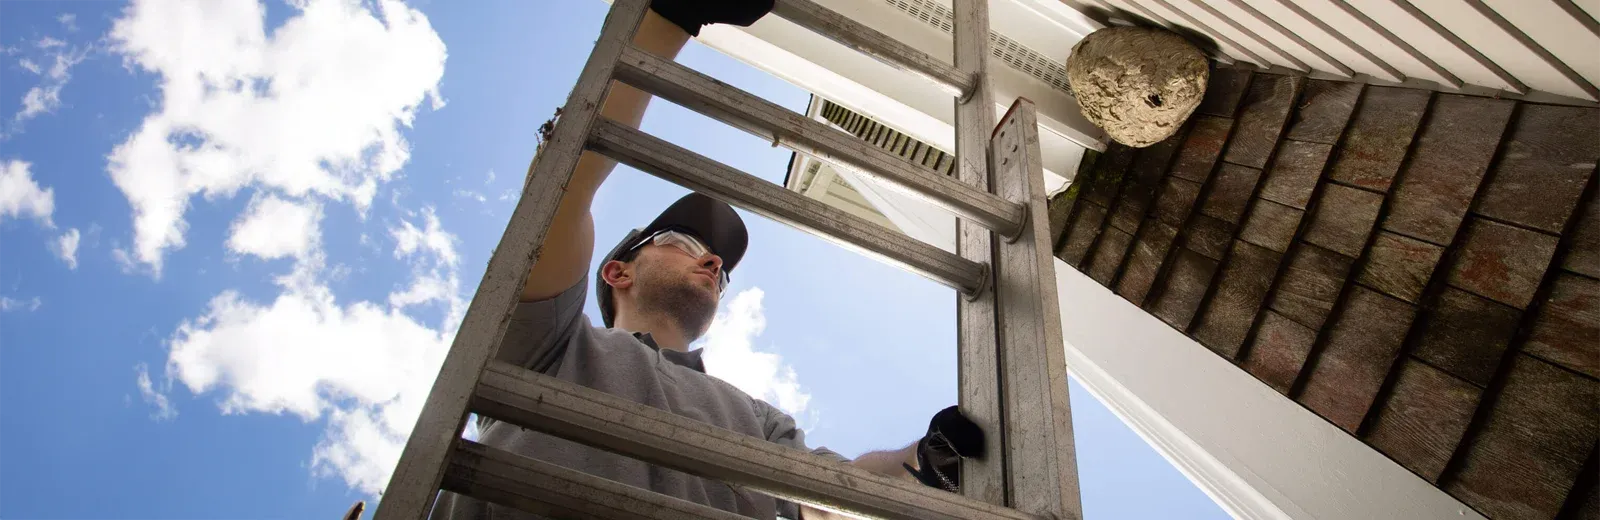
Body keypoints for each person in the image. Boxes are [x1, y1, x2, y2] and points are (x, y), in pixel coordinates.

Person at [438, 2, 984, 518]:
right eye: (685, 243)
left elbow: (827, 501)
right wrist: (666, 18)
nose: (714, 263)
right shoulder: (550, 344)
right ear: (616, 271)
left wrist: (930, 457)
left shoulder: (756, 420)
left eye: (720, 268)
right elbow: (560, 192)